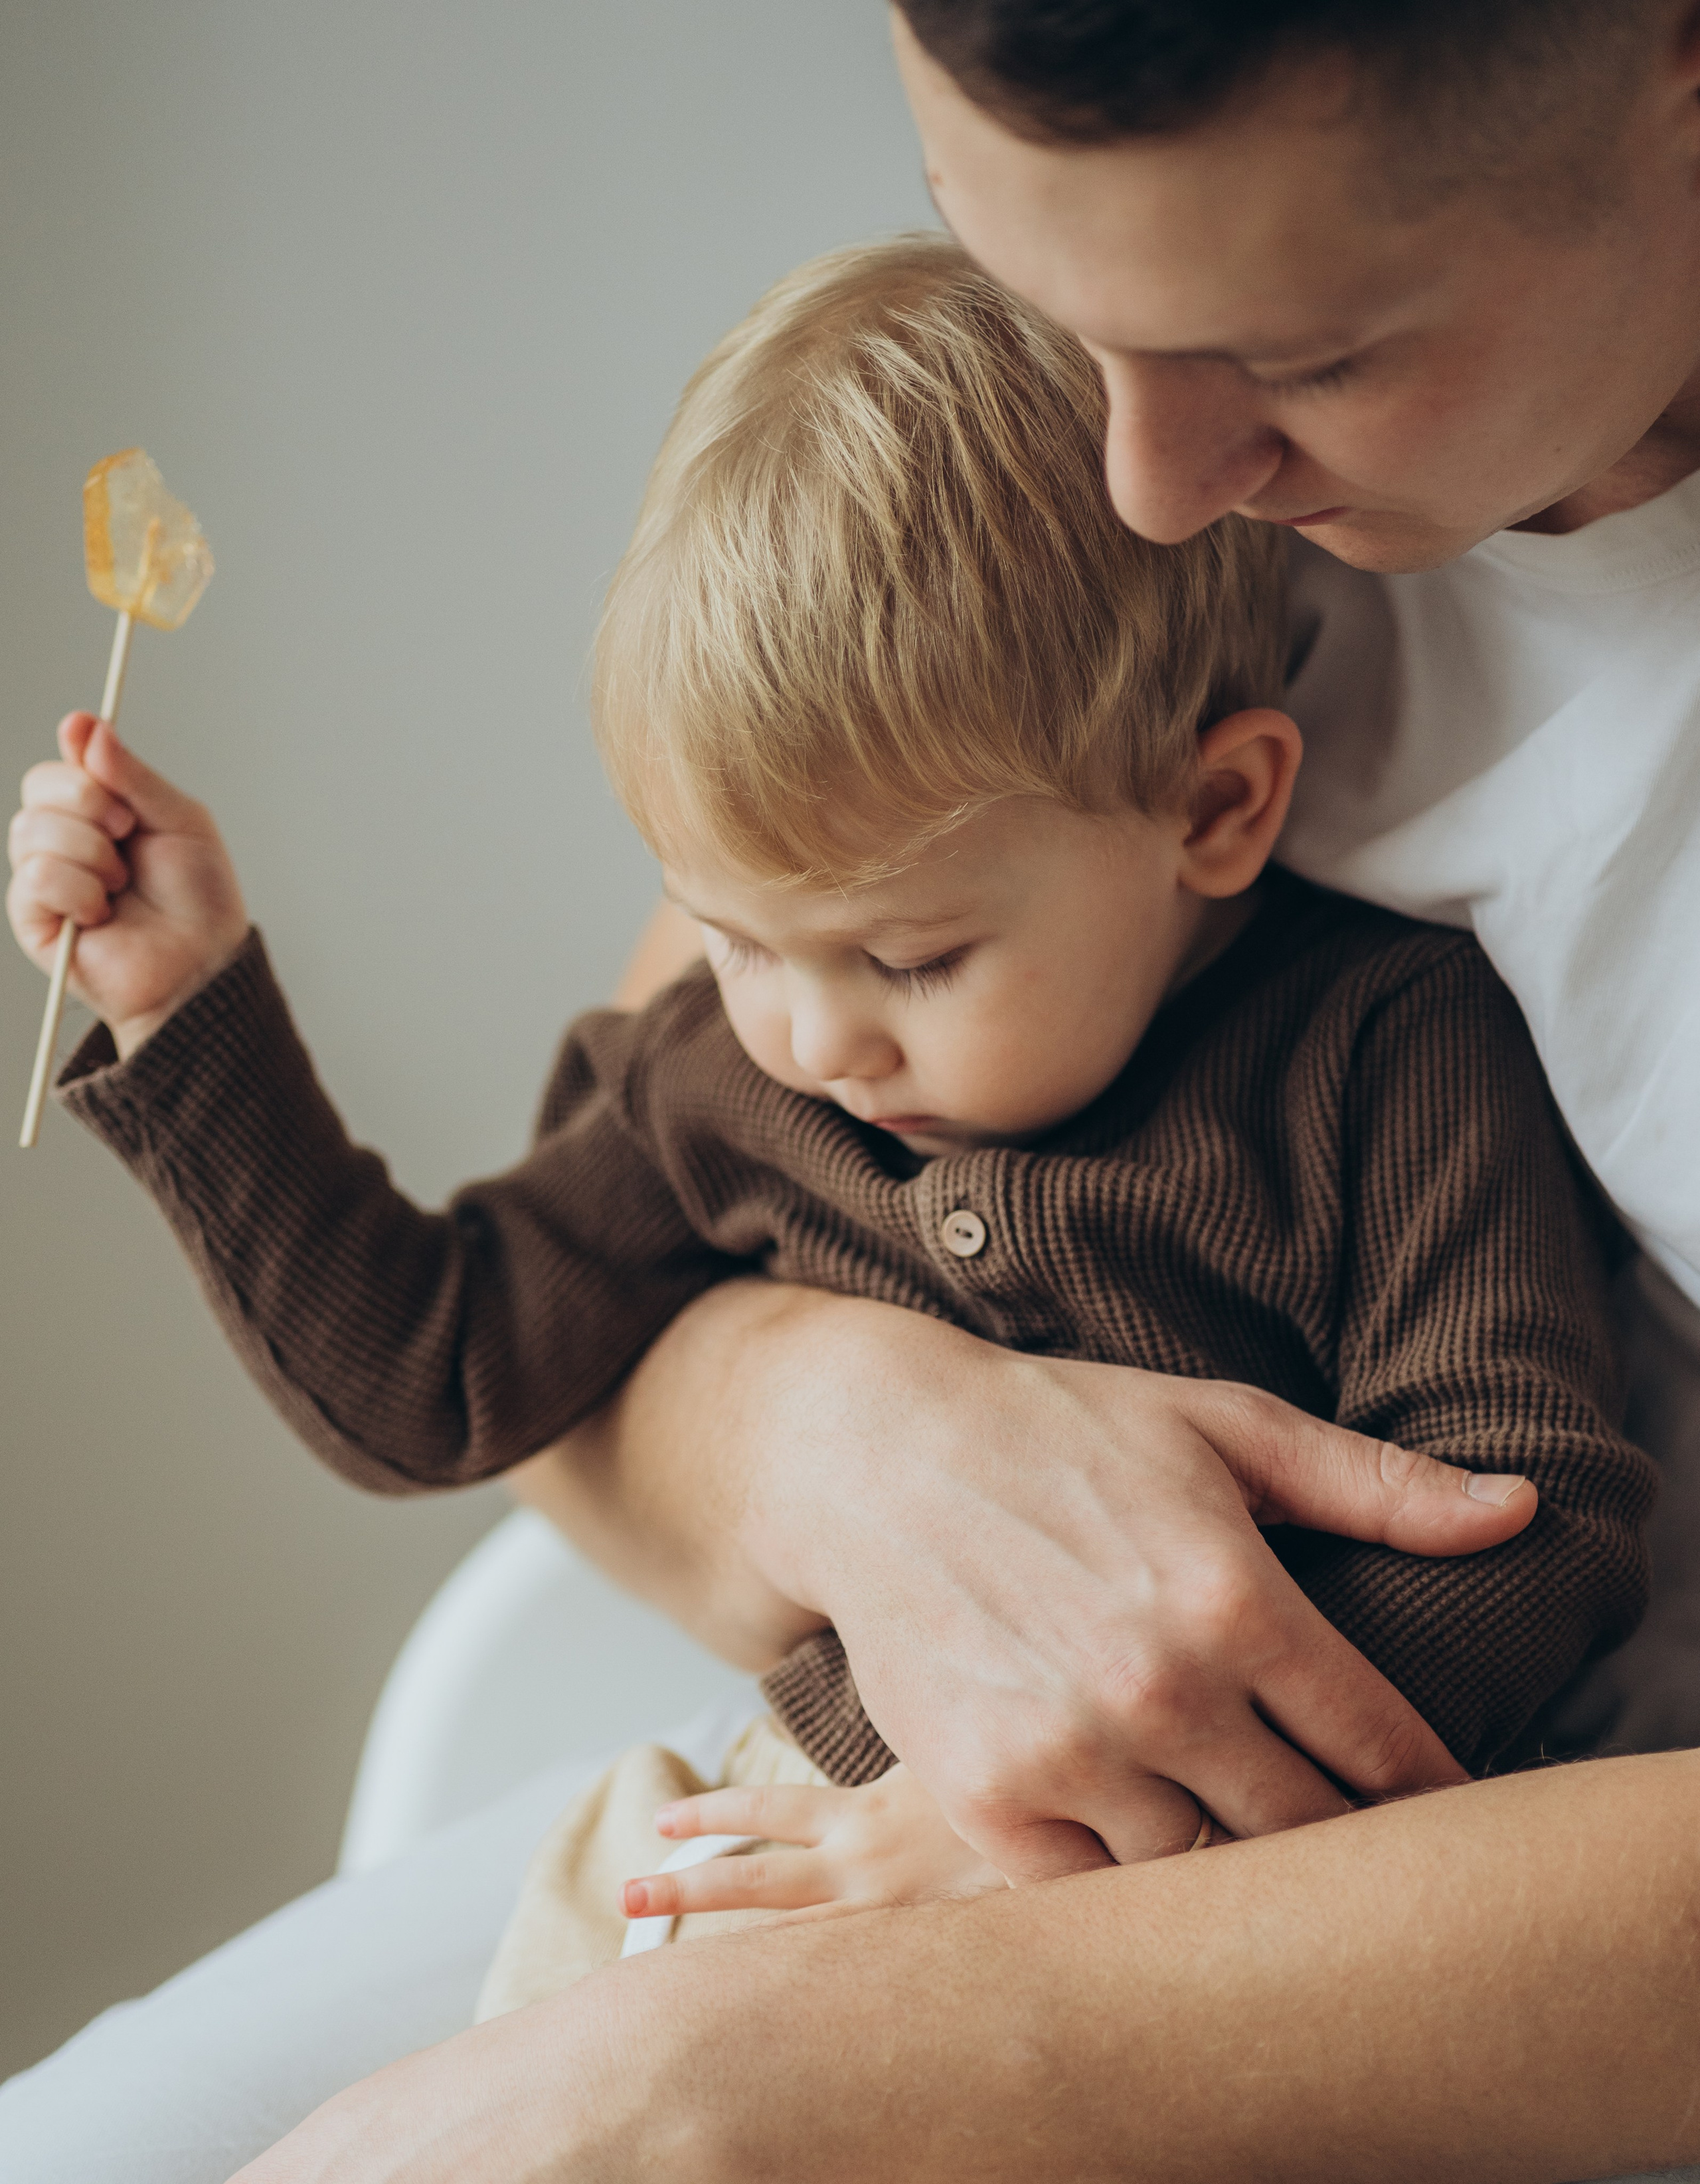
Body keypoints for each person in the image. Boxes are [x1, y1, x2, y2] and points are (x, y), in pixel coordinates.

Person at [7, 3, 1700, 2179]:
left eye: (1310, 354)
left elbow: (1525, 1531)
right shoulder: (972, 576)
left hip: (1371, 1937)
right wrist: (838, 1421)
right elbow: (478, 1377)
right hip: (787, 1831)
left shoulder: (1379, 1042)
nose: (1145, 481)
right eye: (1026, 270)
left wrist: (968, 1987)